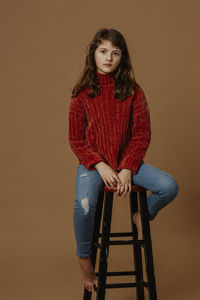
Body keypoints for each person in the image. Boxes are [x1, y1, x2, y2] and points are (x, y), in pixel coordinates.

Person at [68, 28, 179, 293]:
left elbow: (142, 133)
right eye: (103, 51)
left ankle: (142, 215)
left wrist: (128, 167)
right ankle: (85, 259)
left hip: (128, 163)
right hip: (94, 167)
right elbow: (75, 139)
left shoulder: (133, 91)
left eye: (115, 53)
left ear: (123, 58)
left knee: (169, 186)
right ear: (93, 54)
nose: (108, 58)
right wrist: (100, 164)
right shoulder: (81, 93)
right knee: (84, 206)